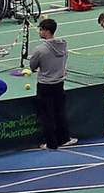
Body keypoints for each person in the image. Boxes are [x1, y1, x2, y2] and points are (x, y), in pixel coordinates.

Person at [27, 18, 76, 150]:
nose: (39, 31)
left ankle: (51, 143)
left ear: (46, 31)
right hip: (59, 83)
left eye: (41, 29)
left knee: (47, 115)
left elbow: (32, 66)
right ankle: (64, 138)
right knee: (60, 112)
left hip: (45, 86)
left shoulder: (40, 49)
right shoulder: (63, 45)